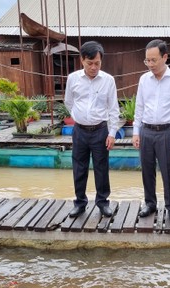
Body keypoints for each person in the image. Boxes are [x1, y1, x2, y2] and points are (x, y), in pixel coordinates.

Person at [132, 39, 170, 222]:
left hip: (168, 132)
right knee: (147, 170)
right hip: (146, 131)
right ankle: (150, 203)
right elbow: (139, 107)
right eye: (147, 60)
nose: (150, 64)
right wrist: (135, 131)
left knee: (168, 171)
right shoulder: (144, 79)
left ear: (165, 57)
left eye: (154, 60)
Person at [64, 41, 119, 218]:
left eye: (97, 63)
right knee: (79, 168)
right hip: (80, 131)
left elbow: (113, 108)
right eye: (90, 63)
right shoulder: (73, 78)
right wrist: (78, 116)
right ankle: (80, 203)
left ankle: (103, 203)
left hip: (100, 131)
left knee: (101, 168)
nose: (93, 67)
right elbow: (68, 102)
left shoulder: (108, 80)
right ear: (82, 60)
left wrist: (112, 133)